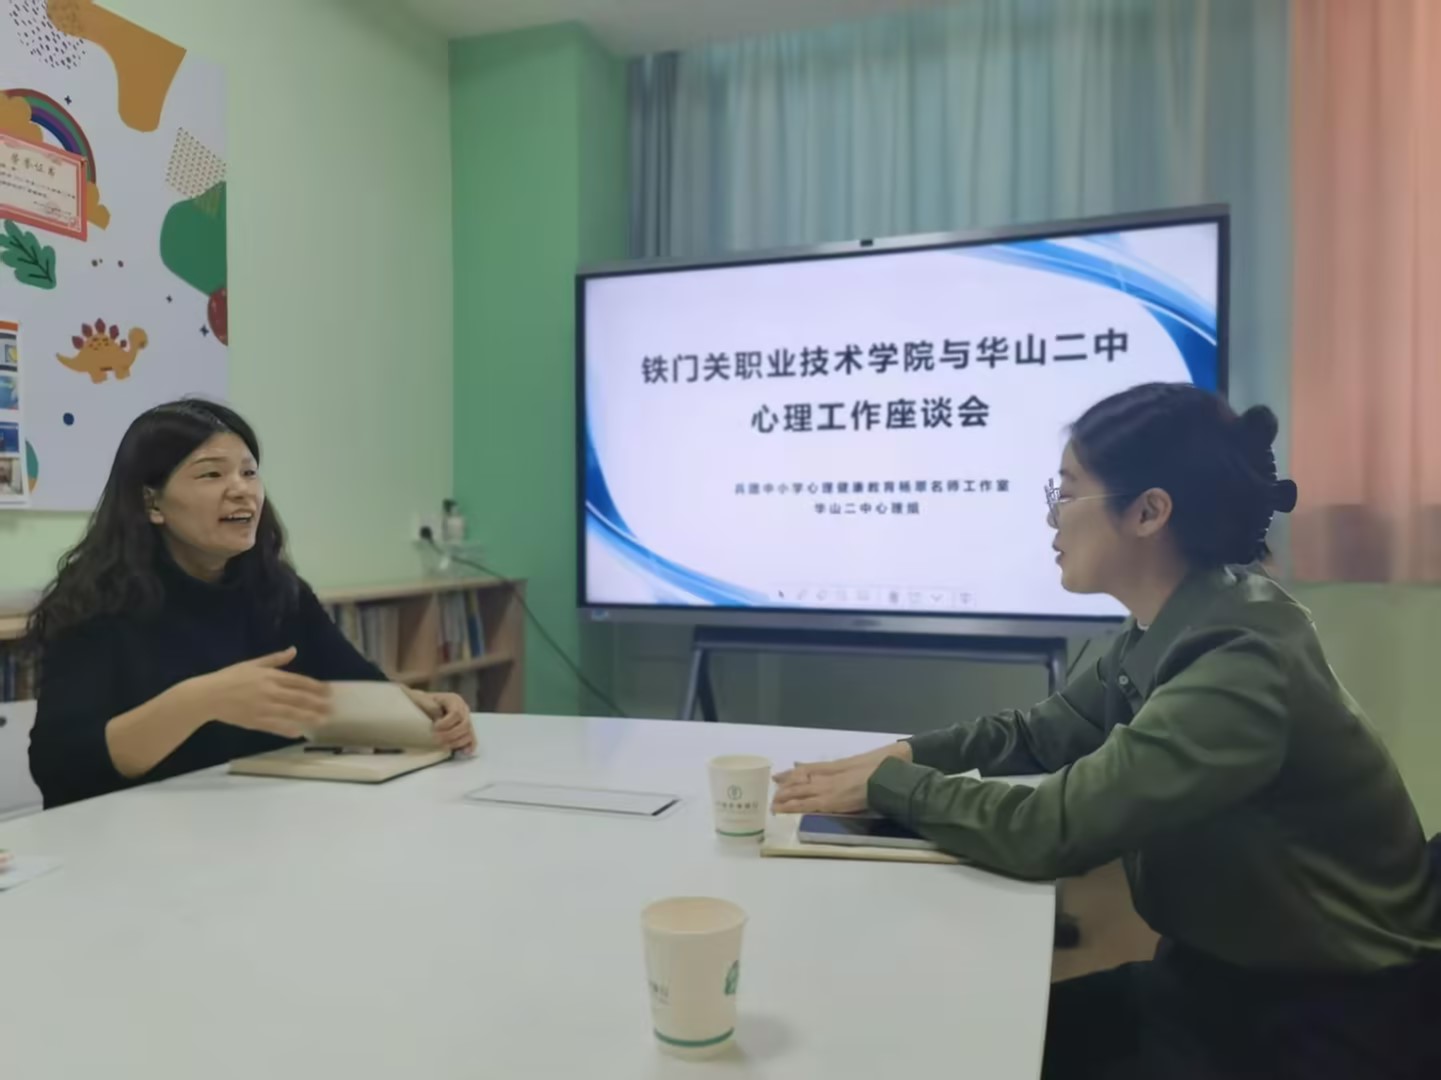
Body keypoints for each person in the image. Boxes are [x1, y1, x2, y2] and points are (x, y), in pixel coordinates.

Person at [772, 383, 1441, 1078]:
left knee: (962, 1055)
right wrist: (907, 754)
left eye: (1065, 493)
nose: (1051, 517)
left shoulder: (1239, 666)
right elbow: (1043, 732)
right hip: (1214, 980)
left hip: (1324, 1018)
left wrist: (894, 787)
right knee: (951, 1039)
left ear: (1149, 512)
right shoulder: (1184, 618)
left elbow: (1048, 831)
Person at [27, 399, 475, 809]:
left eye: (249, 472)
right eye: (211, 474)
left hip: (262, 824)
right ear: (152, 503)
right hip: (135, 835)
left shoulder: (277, 590)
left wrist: (424, 708)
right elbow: (60, 766)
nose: (242, 490)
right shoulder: (96, 602)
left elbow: (355, 686)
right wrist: (199, 701)